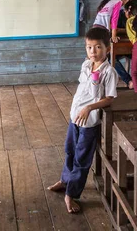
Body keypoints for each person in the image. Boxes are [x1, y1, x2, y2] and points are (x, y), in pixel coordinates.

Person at [47, 27, 118, 214]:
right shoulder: (86, 65)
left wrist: (89, 107)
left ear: (107, 49)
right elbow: (82, 89)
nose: (93, 52)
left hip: (89, 122)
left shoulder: (109, 72)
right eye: (89, 47)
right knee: (69, 150)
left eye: (98, 47)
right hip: (75, 117)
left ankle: (71, 194)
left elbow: (109, 98)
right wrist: (79, 108)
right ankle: (65, 180)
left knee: (82, 159)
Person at [93, 0, 133, 88]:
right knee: (109, 57)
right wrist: (114, 36)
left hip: (95, 30)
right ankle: (129, 81)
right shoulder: (118, 2)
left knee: (107, 57)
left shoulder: (109, 1)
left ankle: (128, 81)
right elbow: (114, 21)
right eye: (127, 0)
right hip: (102, 32)